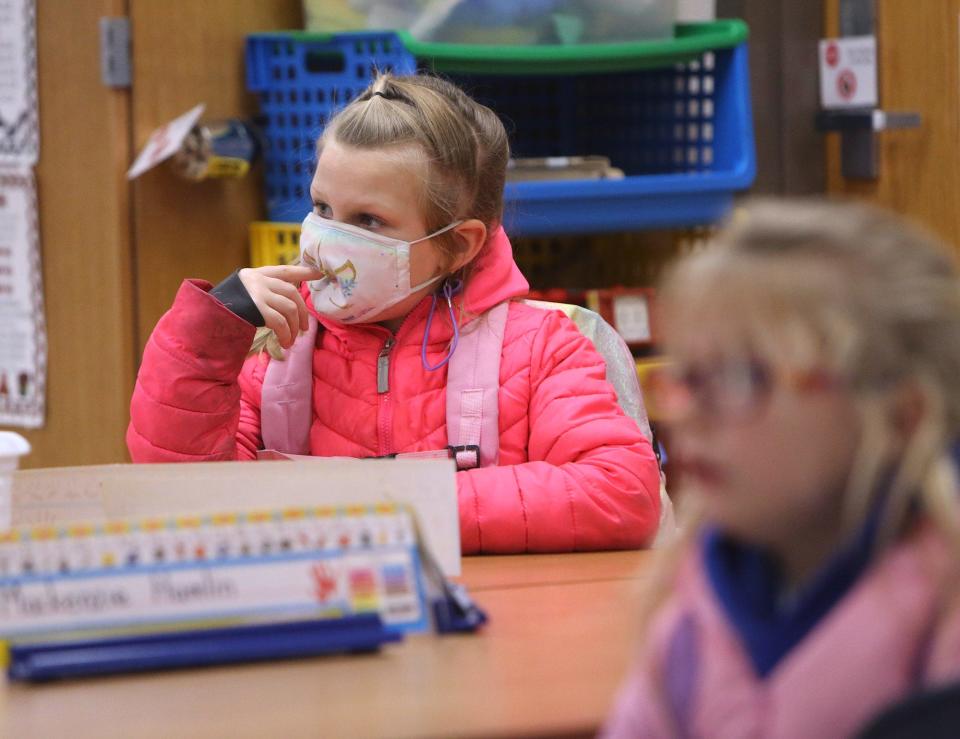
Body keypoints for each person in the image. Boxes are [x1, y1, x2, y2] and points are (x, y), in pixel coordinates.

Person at [127, 73, 661, 554]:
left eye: (369, 220)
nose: (329, 240)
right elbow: (185, 502)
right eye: (322, 209)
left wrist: (388, 509)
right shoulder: (272, 348)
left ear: (459, 244)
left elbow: (623, 493)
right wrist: (205, 337)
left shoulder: (541, 348)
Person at [602, 199, 960, 737]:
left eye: (743, 379)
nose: (690, 416)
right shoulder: (690, 608)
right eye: (688, 379)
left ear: (900, 417)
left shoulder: (942, 626)